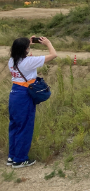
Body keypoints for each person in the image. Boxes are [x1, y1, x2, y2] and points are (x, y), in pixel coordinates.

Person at [7, 36, 57, 168]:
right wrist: (48, 43)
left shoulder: (11, 61)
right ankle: (20, 159)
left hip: (14, 93)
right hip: (24, 96)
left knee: (14, 126)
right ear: (25, 49)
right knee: (25, 127)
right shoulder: (29, 62)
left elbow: (21, 52)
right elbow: (53, 55)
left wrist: (26, 43)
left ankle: (12, 156)